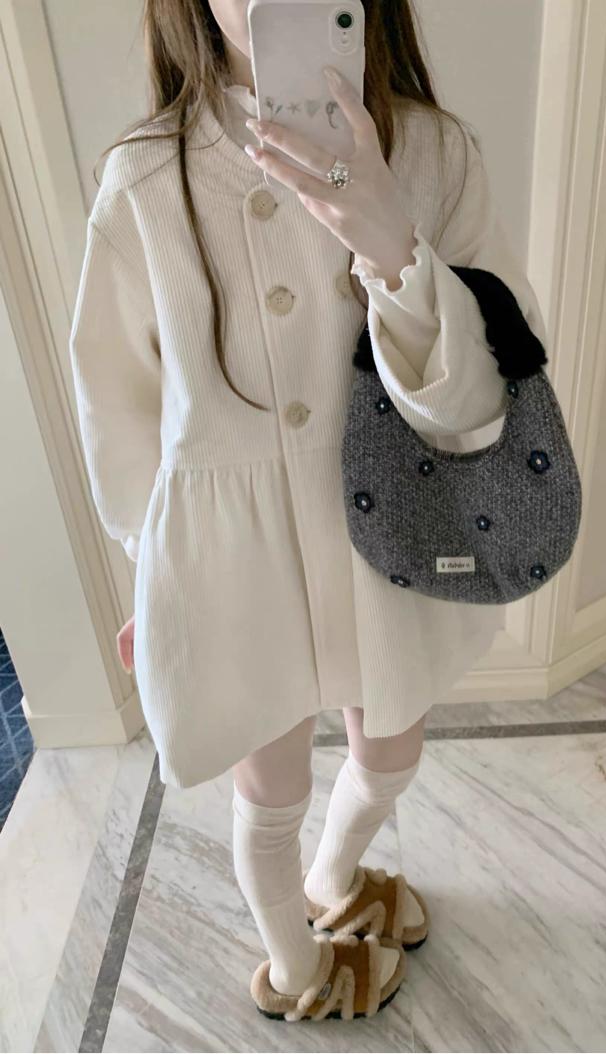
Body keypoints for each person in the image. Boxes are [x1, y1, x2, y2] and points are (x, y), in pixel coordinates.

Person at [68, 0, 547, 1024]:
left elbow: (491, 393)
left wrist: (393, 245)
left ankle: (337, 879)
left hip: (393, 533)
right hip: (235, 559)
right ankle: (294, 966)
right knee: (270, 788)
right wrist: (149, 568)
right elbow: (117, 405)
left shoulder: (432, 153)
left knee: (390, 752)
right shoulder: (147, 178)